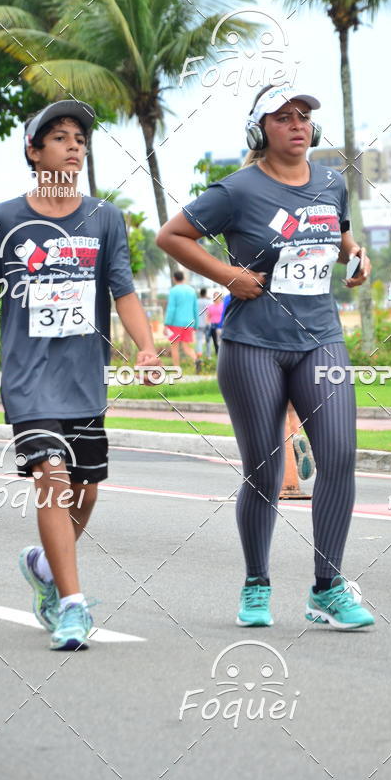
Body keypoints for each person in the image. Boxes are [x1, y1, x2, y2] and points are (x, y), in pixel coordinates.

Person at [157, 83, 375, 630]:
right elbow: (172, 235)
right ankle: (256, 582)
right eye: (283, 117)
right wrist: (228, 275)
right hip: (252, 345)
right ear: (260, 129)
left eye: (303, 116)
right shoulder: (237, 190)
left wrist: (355, 256)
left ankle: (328, 588)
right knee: (264, 469)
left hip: (321, 338)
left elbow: (339, 236)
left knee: (340, 456)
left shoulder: (331, 183)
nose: (297, 125)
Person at [0, 99, 159, 651]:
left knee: (85, 490)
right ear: (33, 150)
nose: (74, 146)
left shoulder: (105, 218)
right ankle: (72, 606)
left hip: (84, 380)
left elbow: (123, 291)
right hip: (28, 381)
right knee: (52, 477)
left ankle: (46, 566)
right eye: (60, 137)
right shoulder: (3, 220)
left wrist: (146, 347)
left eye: (80, 138)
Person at [164, 271, 198, 367]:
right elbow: (195, 309)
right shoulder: (192, 291)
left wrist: (166, 323)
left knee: (174, 348)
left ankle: (177, 369)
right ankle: (196, 360)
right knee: (186, 348)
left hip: (175, 323)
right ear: (184, 278)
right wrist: (196, 325)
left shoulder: (173, 291)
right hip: (189, 323)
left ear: (174, 278)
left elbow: (171, 309)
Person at [206, 291, 224, 355]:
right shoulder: (210, 306)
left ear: (220, 297)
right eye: (215, 296)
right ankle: (217, 353)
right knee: (215, 341)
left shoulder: (223, 306)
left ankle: (222, 353)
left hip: (221, 325)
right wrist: (207, 325)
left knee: (221, 341)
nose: (216, 298)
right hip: (213, 325)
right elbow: (208, 317)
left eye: (218, 296)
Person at [195, 287, 209, 366]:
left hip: (198, 323)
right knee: (208, 340)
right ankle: (208, 355)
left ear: (200, 294)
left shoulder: (196, 302)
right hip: (207, 323)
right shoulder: (209, 302)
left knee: (199, 340)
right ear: (205, 294)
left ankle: (199, 354)